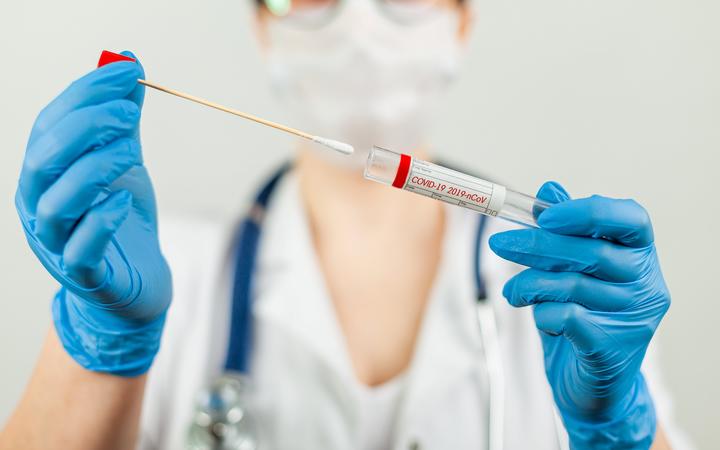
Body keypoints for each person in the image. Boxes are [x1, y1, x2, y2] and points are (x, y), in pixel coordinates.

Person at [0, 0, 685, 448]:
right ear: (261, 27)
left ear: (461, 22)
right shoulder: (160, 276)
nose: (358, 24)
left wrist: (618, 428)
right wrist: (98, 344)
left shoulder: (572, 298)